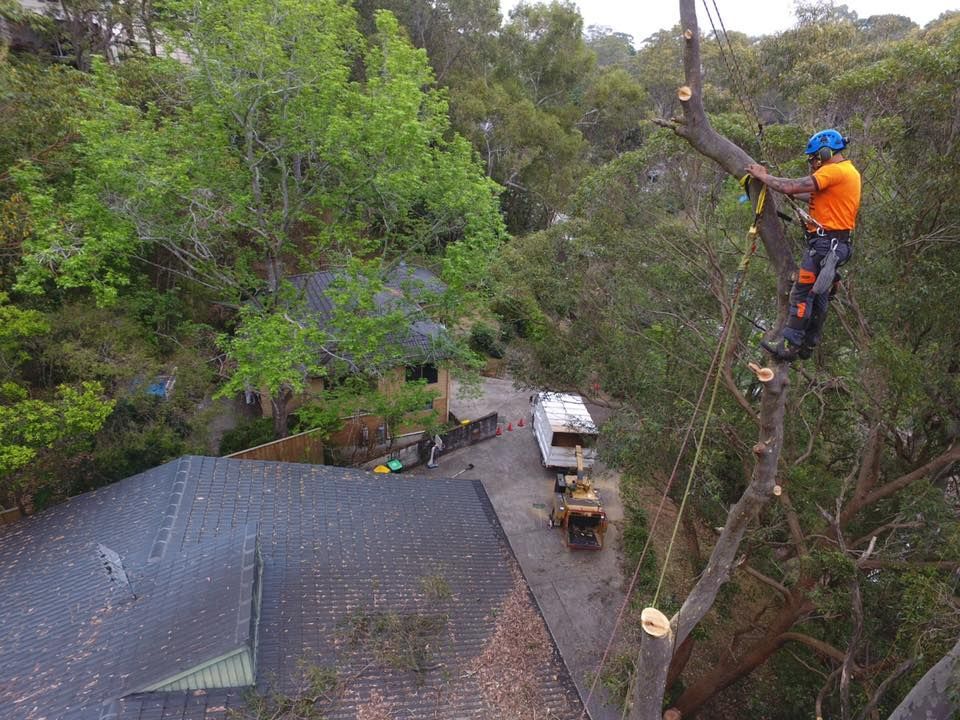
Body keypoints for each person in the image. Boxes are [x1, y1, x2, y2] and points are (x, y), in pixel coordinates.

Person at [746, 129, 861, 362]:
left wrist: (765, 177)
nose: (814, 163)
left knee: (801, 294)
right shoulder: (849, 172)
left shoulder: (833, 170)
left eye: (815, 158)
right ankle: (808, 345)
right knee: (818, 297)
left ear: (826, 153)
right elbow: (816, 197)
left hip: (824, 246)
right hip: (836, 244)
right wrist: (784, 190)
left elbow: (792, 186)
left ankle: (789, 345)